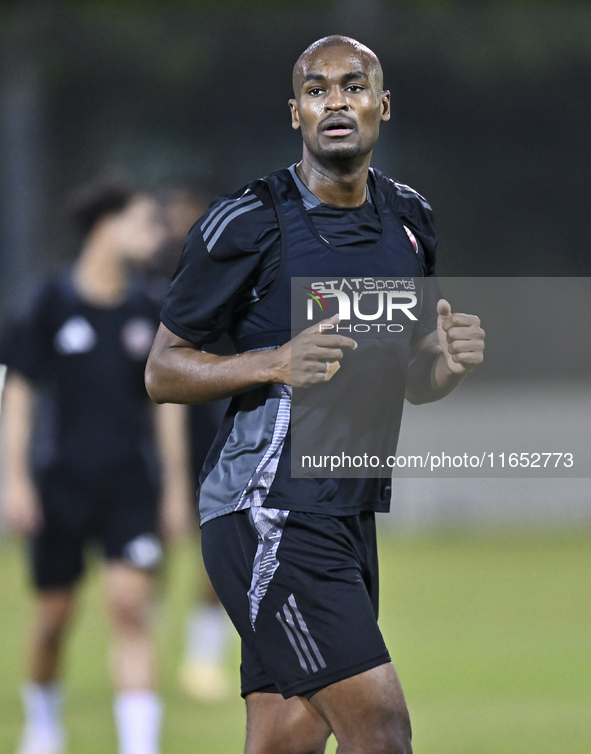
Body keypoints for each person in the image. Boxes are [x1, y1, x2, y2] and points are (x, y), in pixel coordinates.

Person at [145, 36, 485, 754]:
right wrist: (273, 361)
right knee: (381, 732)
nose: (335, 100)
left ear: (381, 106)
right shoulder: (248, 221)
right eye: (316, 89)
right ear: (294, 113)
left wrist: (443, 367)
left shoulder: (410, 221)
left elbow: (413, 378)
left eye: (353, 86)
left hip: (347, 514)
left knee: (286, 737)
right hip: (268, 510)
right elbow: (163, 371)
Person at [1, 179, 192, 754]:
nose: (155, 235)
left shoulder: (147, 312)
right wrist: (14, 480)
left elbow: (167, 408)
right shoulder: (48, 305)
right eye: (144, 223)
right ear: (108, 226)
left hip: (129, 486)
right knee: (54, 618)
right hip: (59, 484)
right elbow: (20, 395)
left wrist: (177, 487)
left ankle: (140, 745)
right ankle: (43, 722)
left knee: (131, 606)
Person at [148, 185, 234, 701]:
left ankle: (203, 661)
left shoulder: (229, 273)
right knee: (149, 549)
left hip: (213, 428)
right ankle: (147, 649)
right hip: (155, 431)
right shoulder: (149, 283)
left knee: (217, 549)